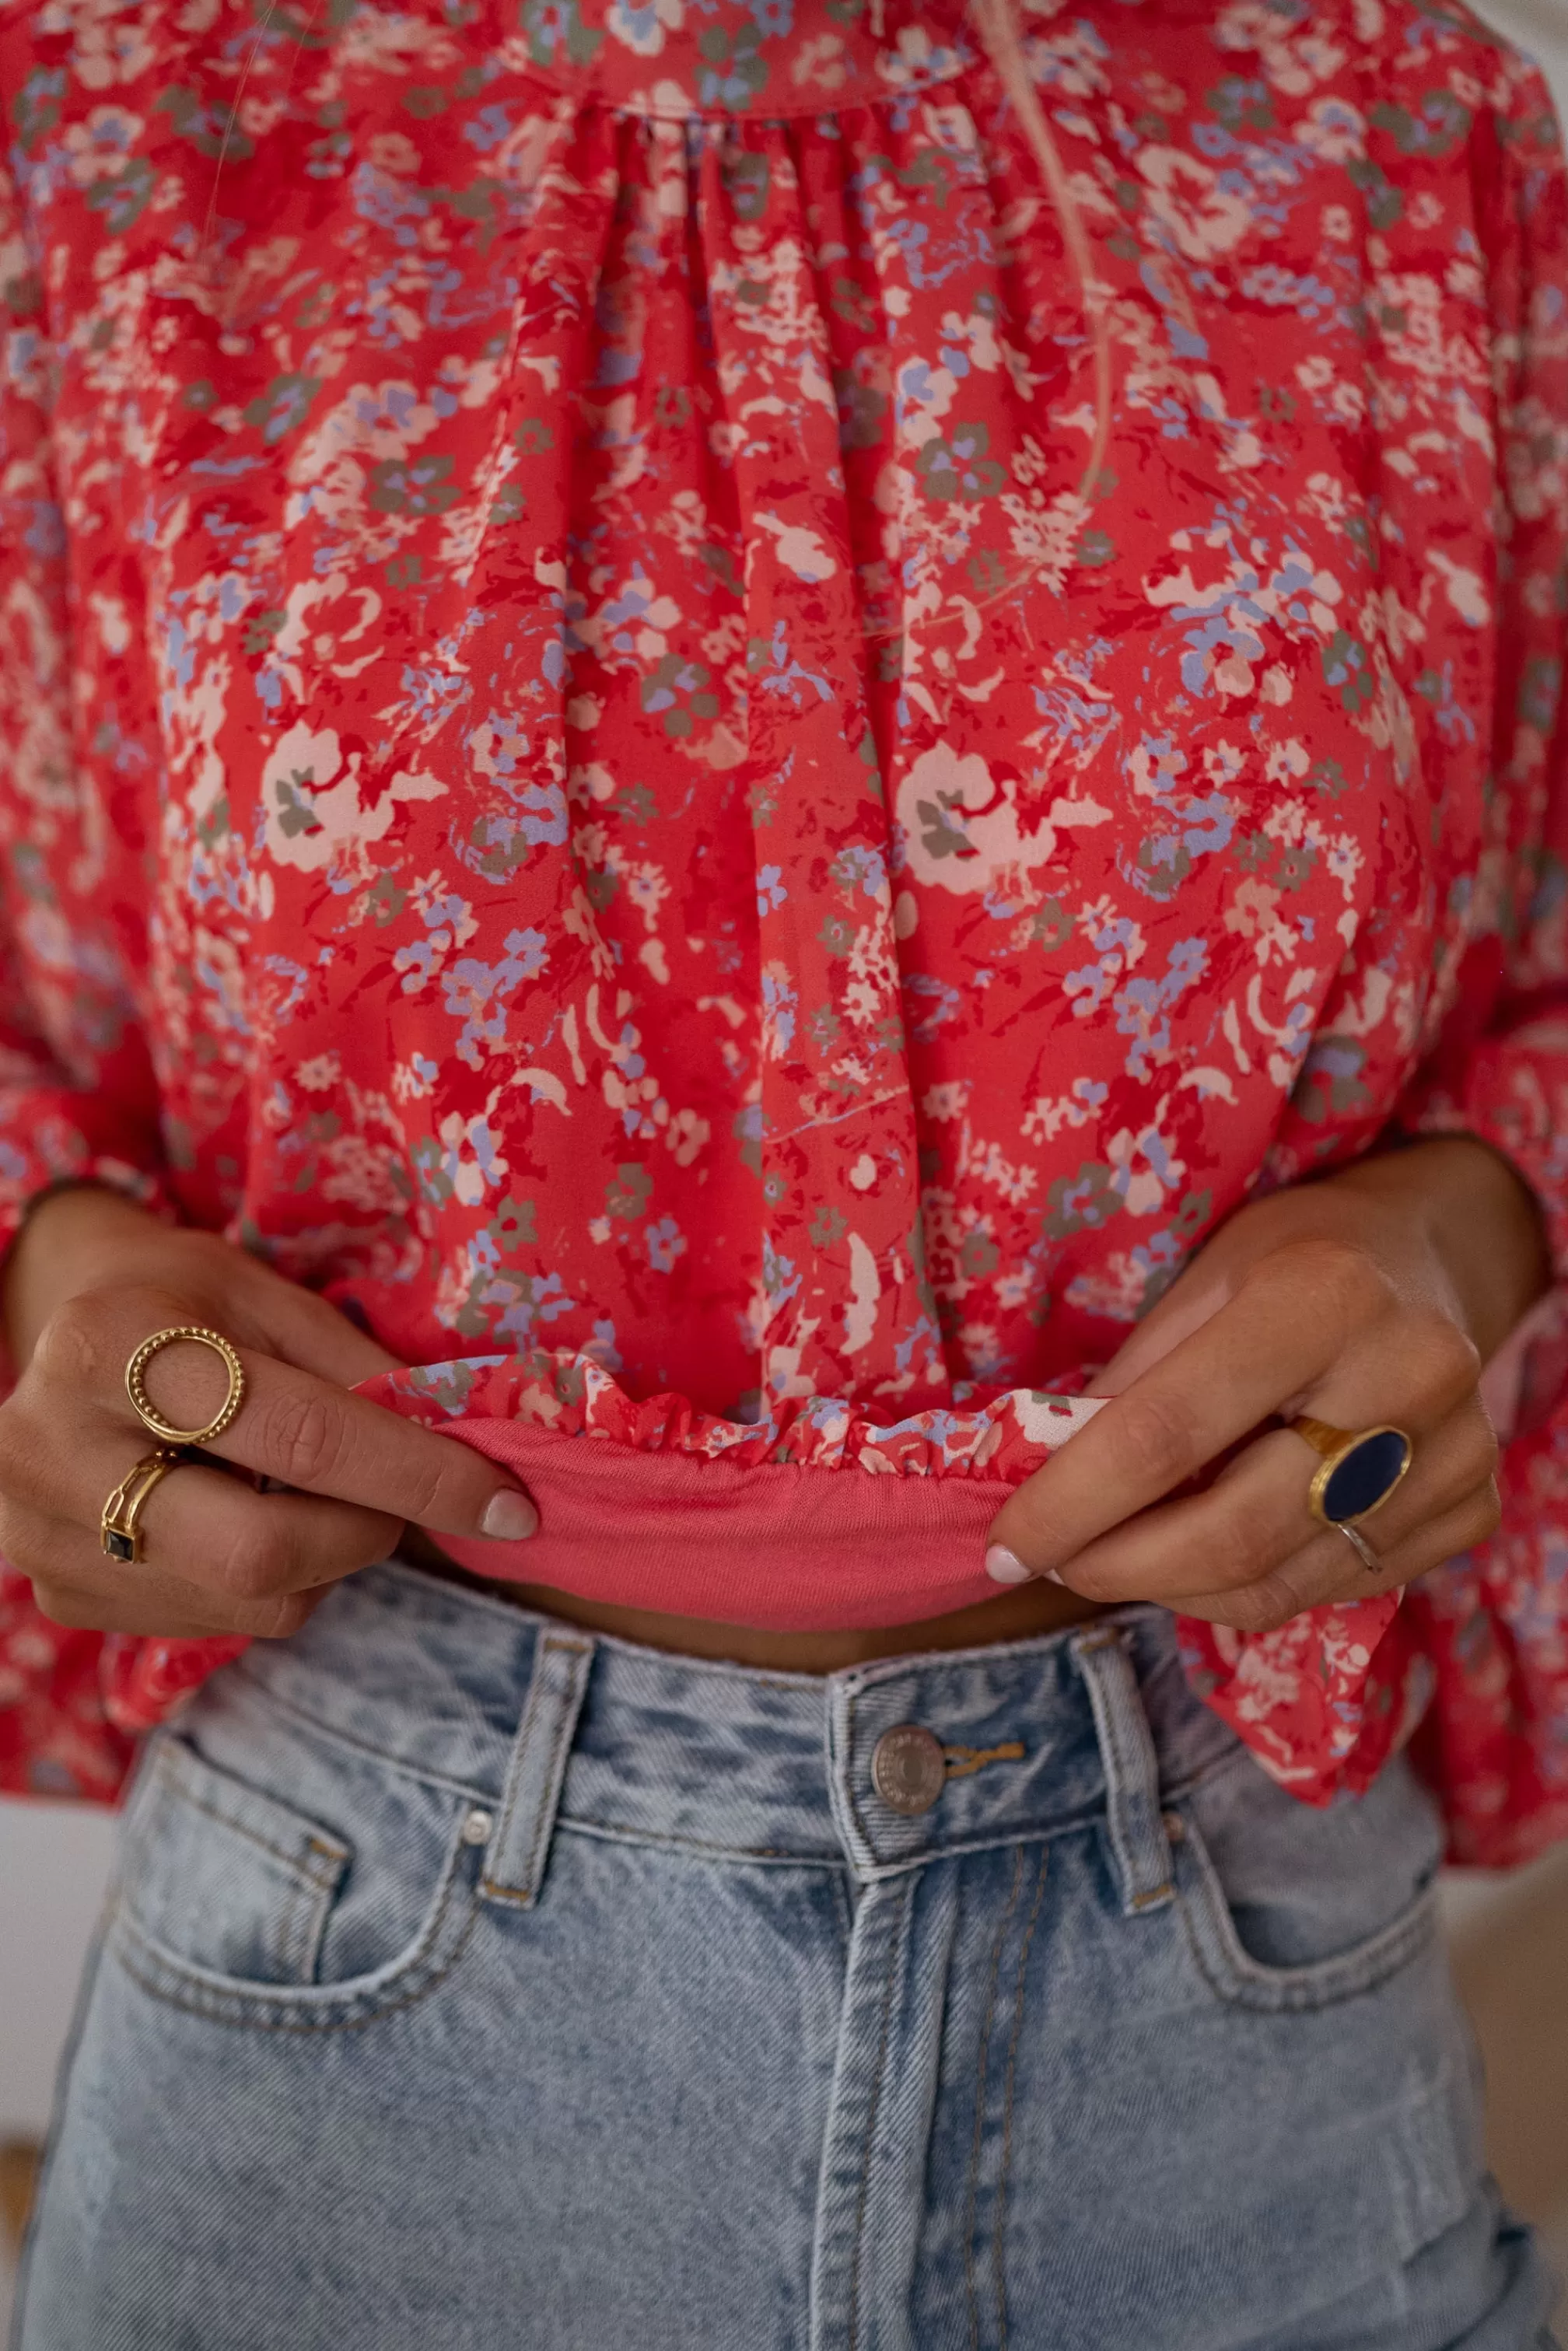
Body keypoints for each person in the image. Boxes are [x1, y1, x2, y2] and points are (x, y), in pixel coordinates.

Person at [2, 0, 1566, 2338]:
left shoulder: (1393, 130)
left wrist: (1468, 1226)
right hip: (362, 1970)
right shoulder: (118, 130)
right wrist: (51, 1293)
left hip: (1222, 1981)